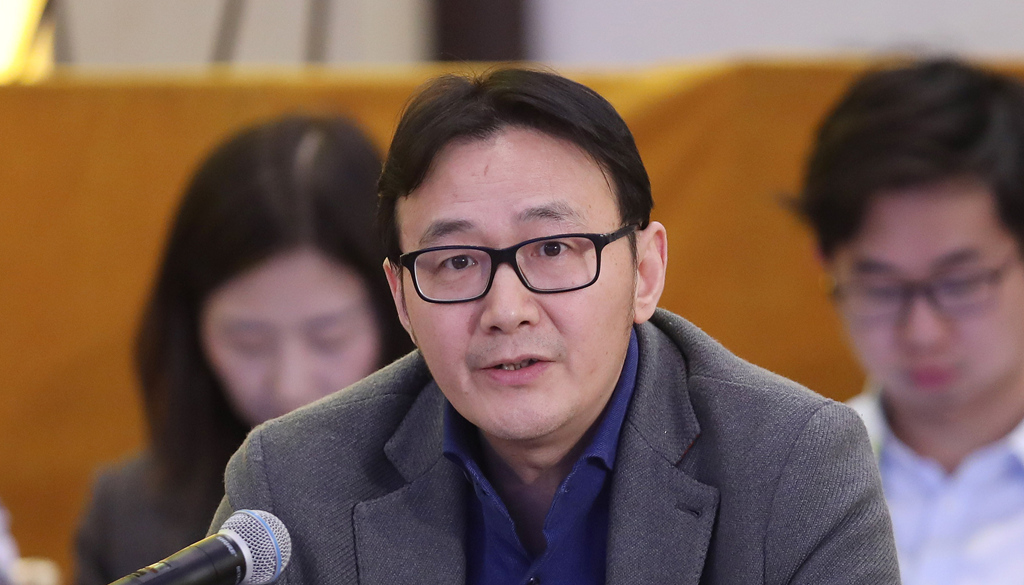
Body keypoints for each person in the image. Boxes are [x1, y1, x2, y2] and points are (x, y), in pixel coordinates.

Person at [213, 68, 899, 584]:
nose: (507, 309)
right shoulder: (294, 485)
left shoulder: (794, 468)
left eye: (553, 249)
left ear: (645, 272)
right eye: (456, 261)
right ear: (401, 297)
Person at [74, 115, 414, 585]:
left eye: (329, 337)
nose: (290, 385)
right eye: (248, 342)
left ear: (398, 307)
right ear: (191, 329)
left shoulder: (467, 495)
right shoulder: (127, 514)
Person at [797, 59, 1024, 584]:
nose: (922, 332)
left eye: (960, 283)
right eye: (881, 287)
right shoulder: (777, 487)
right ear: (827, 266)